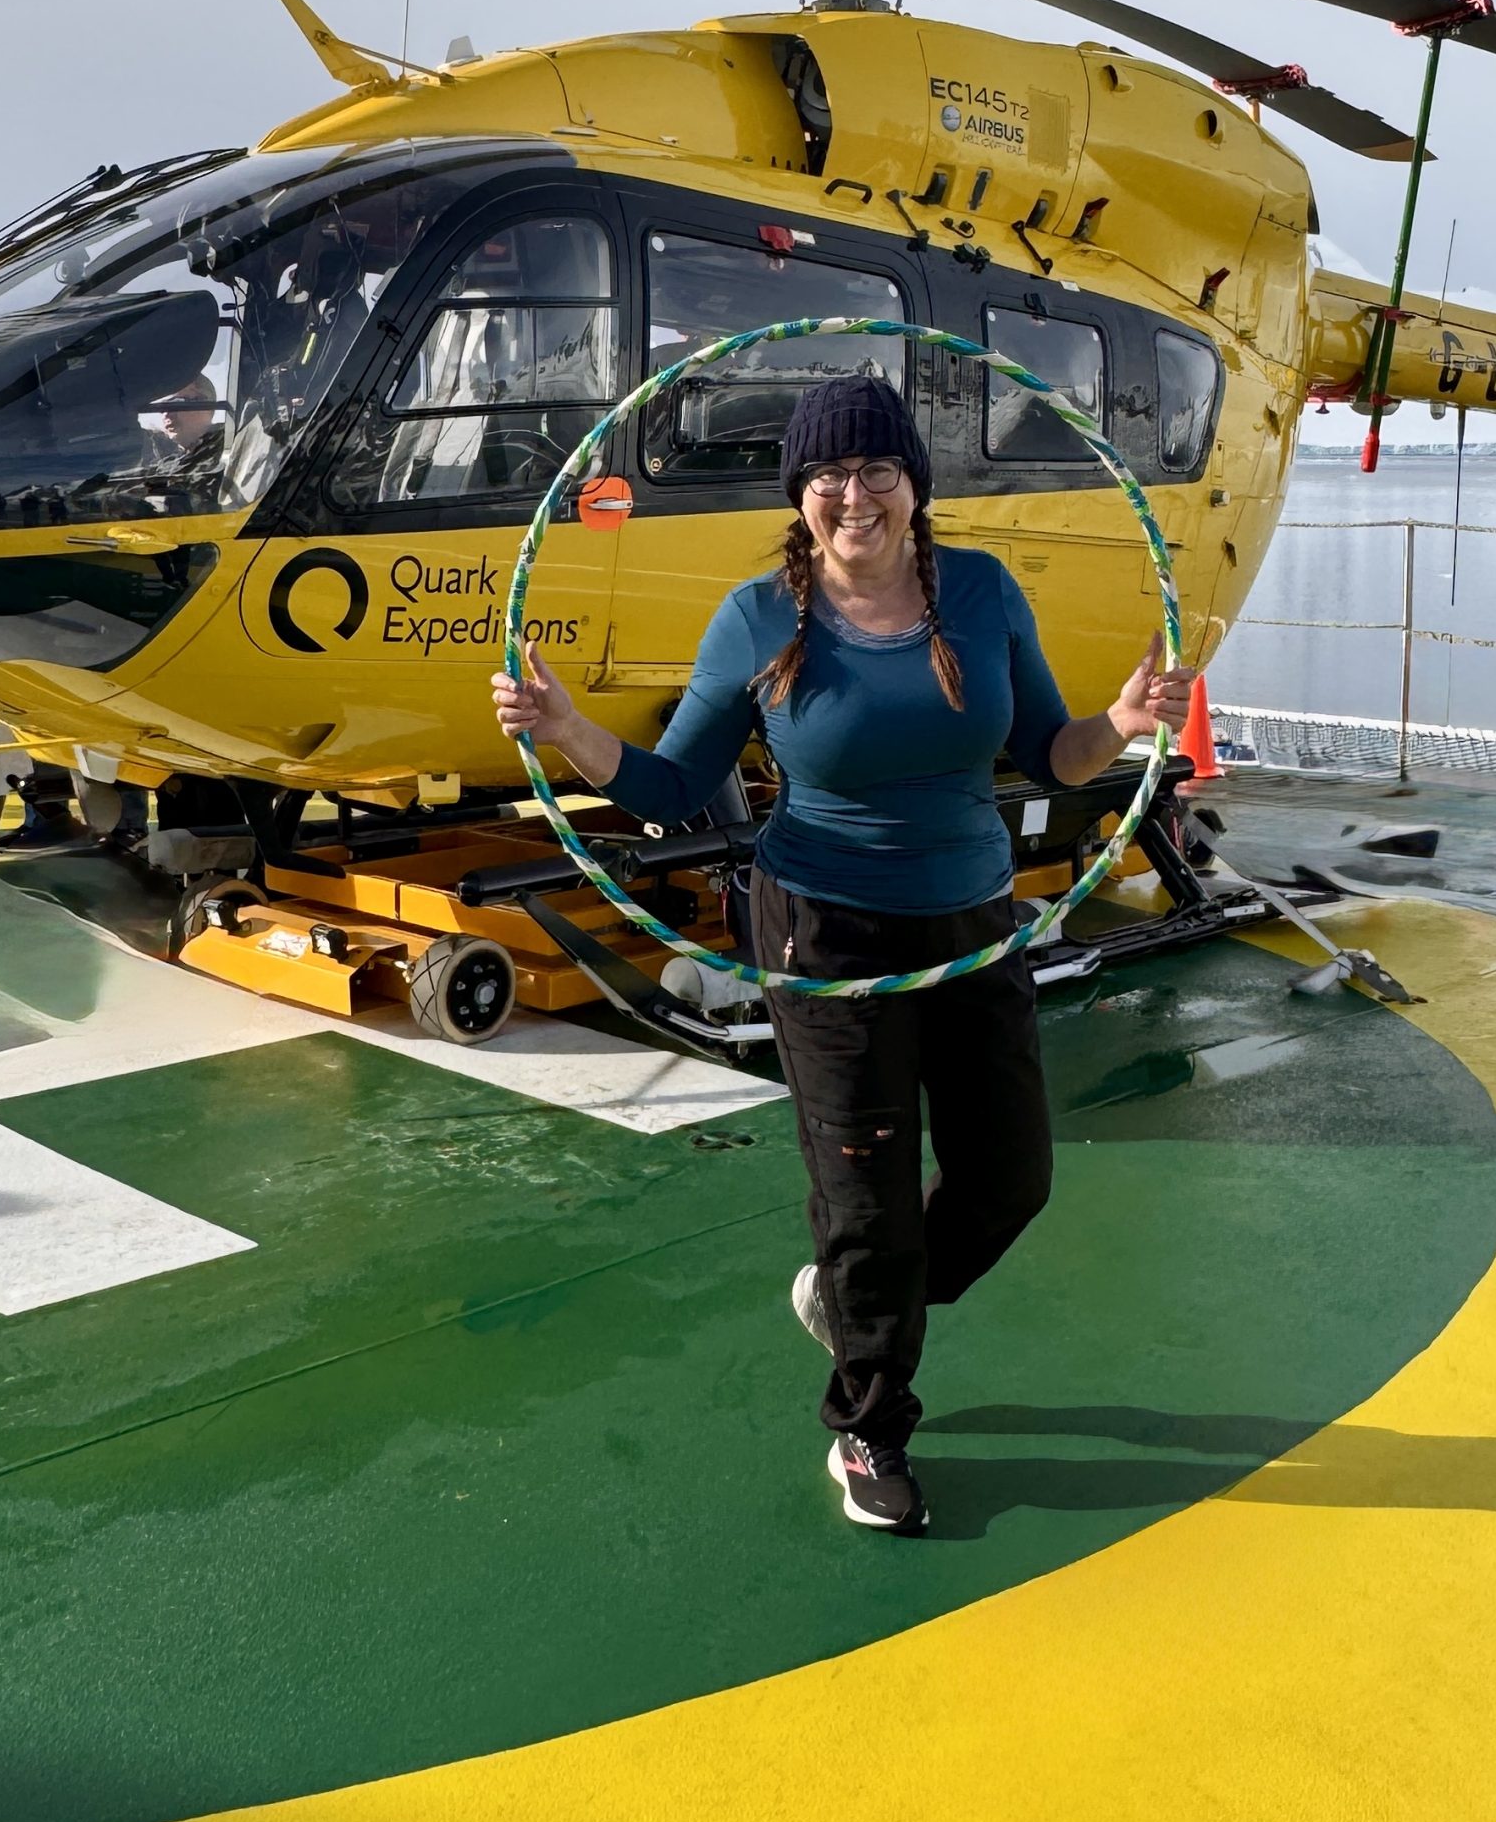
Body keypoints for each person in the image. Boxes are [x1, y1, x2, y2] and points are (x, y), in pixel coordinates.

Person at [492, 372, 1192, 1534]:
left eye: (875, 469)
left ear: (914, 484)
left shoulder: (981, 591)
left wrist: (1119, 724)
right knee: (868, 1196)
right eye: (826, 473)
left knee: (1009, 1178)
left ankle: (855, 1296)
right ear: (798, 495)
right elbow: (670, 787)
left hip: (971, 921)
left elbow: (1047, 753)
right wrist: (566, 730)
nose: (852, 493)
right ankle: (870, 1424)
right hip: (824, 929)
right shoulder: (757, 618)